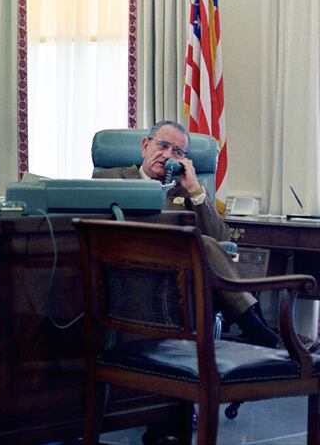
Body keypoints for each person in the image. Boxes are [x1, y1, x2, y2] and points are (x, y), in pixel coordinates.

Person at [93, 120, 283, 348]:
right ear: (145, 146)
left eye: (177, 151)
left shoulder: (186, 190)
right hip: (128, 269)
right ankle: (253, 324)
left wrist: (194, 188)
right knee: (203, 243)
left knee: (207, 242)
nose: (167, 155)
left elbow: (223, 240)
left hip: (178, 278)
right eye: (162, 145)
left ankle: (253, 325)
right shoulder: (110, 178)